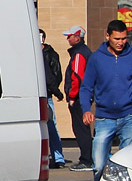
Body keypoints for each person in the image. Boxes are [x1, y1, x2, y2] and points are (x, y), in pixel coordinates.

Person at [80, 20, 132, 181]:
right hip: (105, 118)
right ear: (107, 36)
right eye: (117, 39)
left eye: (124, 39)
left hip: (129, 117)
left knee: (128, 166)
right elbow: (86, 88)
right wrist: (86, 110)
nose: (121, 42)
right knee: (98, 165)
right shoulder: (96, 58)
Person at [62, 26, 94, 172]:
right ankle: (88, 158)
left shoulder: (80, 54)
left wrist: (72, 96)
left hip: (79, 98)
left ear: (77, 37)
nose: (67, 39)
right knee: (83, 128)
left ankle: (86, 160)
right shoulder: (83, 52)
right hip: (83, 96)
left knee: (81, 129)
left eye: (69, 36)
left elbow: (77, 76)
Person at [39, 29, 66, 167]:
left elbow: (52, 76)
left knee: (51, 126)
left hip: (46, 94)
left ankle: (58, 157)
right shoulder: (38, 53)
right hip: (43, 93)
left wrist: (56, 91)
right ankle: (55, 156)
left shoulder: (47, 54)